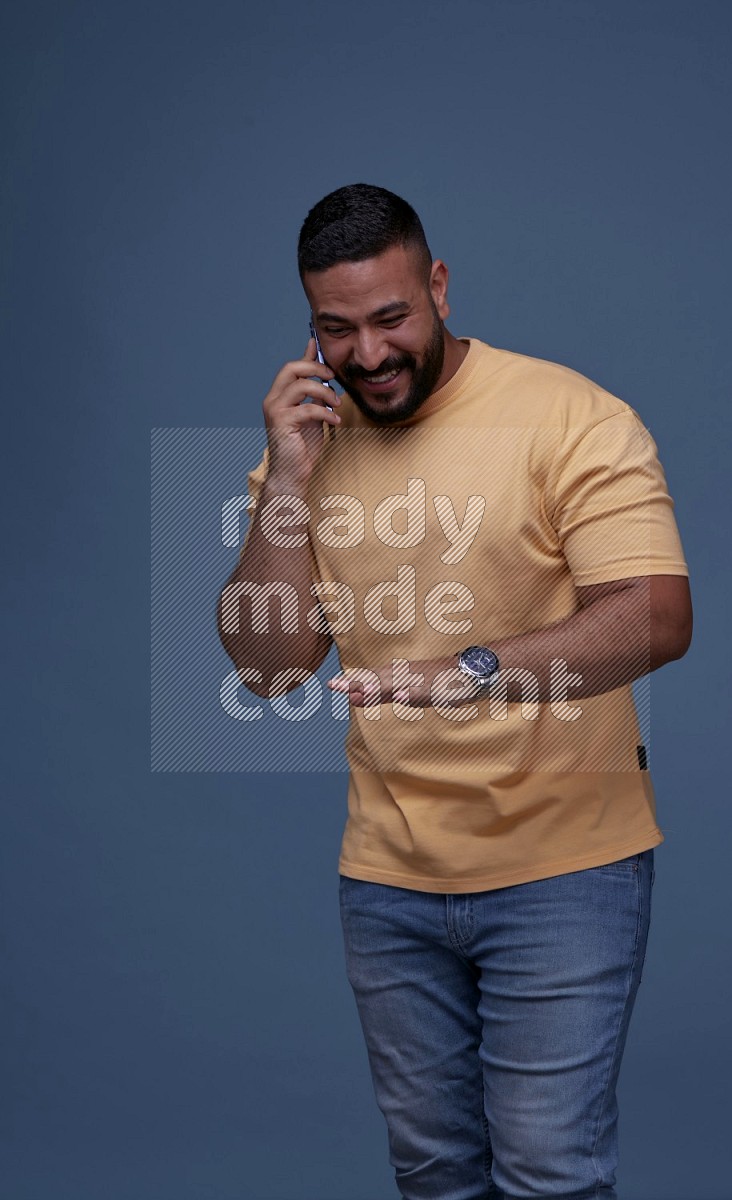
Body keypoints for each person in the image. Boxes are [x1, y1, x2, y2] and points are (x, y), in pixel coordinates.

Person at [218, 183, 692, 1200]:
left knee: (547, 1175)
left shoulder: (568, 415)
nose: (369, 353)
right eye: (335, 329)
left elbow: (655, 615)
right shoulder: (309, 445)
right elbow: (266, 664)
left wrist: (468, 672)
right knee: (433, 1177)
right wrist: (287, 485)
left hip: (565, 867)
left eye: (391, 317)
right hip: (387, 878)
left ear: (436, 286)